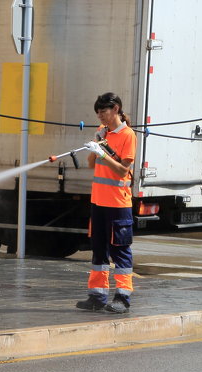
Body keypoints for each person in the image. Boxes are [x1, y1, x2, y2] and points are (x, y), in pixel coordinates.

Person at [77, 92, 138, 314]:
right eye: (98, 112)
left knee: (119, 250)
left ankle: (123, 297)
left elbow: (123, 170)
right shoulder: (103, 134)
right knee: (98, 251)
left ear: (116, 109)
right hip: (99, 202)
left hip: (117, 205)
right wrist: (96, 145)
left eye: (103, 111)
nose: (100, 115)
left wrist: (103, 154)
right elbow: (90, 164)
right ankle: (97, 296)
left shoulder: (127, 135)